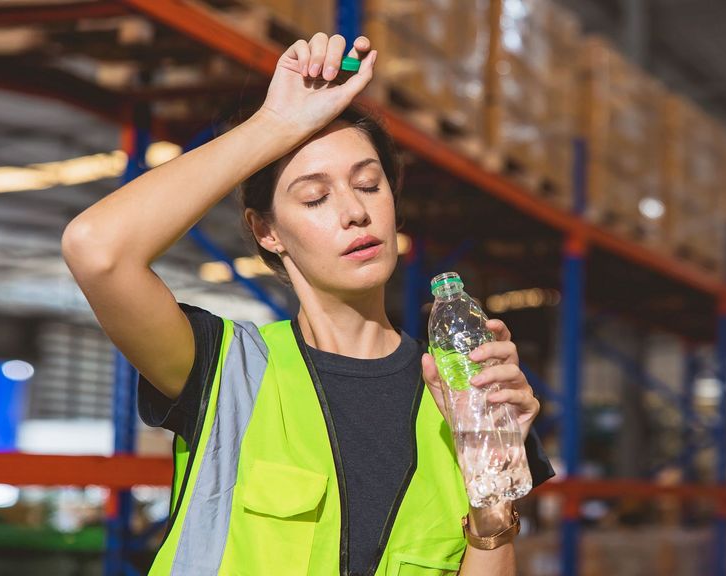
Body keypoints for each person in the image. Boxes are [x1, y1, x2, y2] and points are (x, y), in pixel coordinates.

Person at [62, 32, 554, 576]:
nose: (354, 213)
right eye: (315, 196)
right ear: (265, 230)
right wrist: (276, 124)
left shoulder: (465, 398)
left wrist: (492, 492)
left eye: (369, 186)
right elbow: (98, 250)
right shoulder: (223, 370)